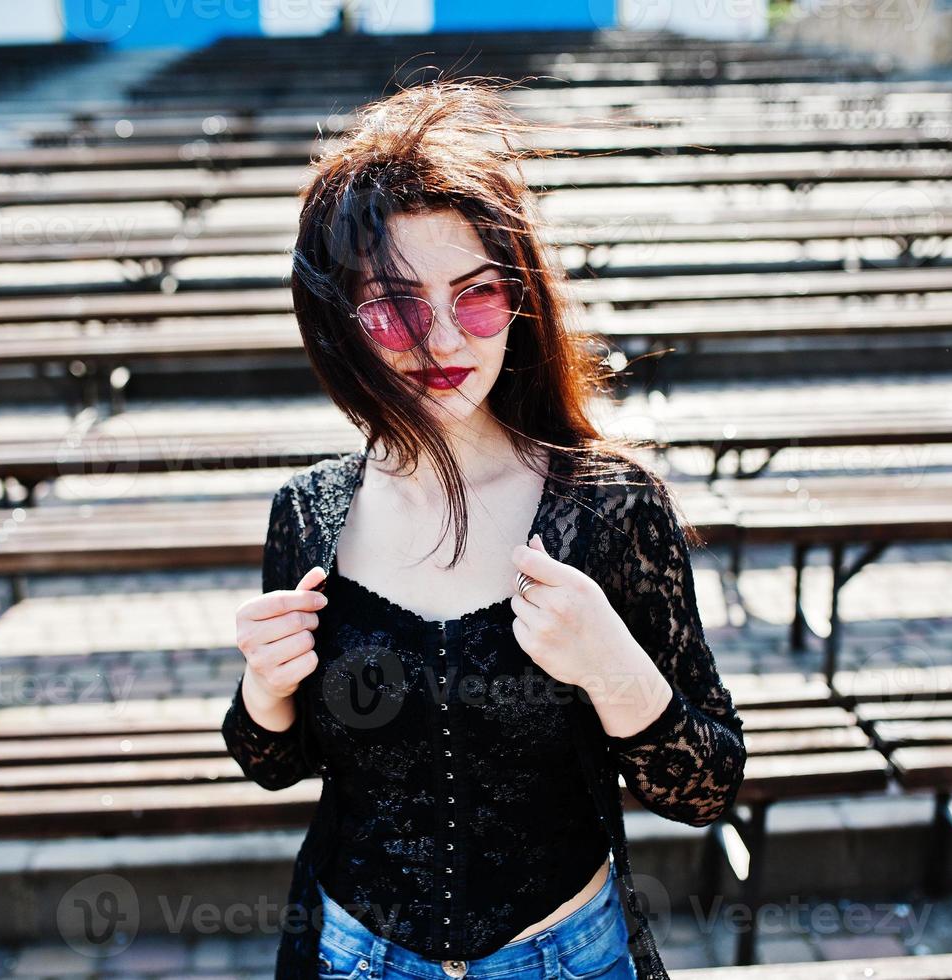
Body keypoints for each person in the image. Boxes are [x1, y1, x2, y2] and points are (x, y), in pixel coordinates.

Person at [222, 79, 747, 979]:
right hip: (353, 956)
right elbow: (277, 763)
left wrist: (612, 669)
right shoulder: (306, 511)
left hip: (566, 958)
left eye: (474, 297)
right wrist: (265, 690)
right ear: (341, 322)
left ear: (518, 301)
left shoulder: (609, 507)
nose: (440, 340)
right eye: (393, 307)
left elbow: (704, 787)